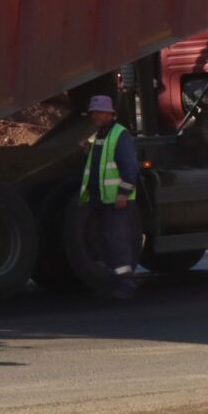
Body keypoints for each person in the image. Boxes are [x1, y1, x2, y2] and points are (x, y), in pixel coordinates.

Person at [79, 92, 141, 299]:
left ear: (109, 114)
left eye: (98, 113)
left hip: (116, 202)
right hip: (101, 200)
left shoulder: (119, 135)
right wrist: (87, 150)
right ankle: (114, 282)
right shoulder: (99, 136)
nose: (94, 116)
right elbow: (100, 162)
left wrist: (123, 193)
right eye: (92, 113)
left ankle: (125, 284)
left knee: (117, 242)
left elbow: (129, 167)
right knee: (105, 242)